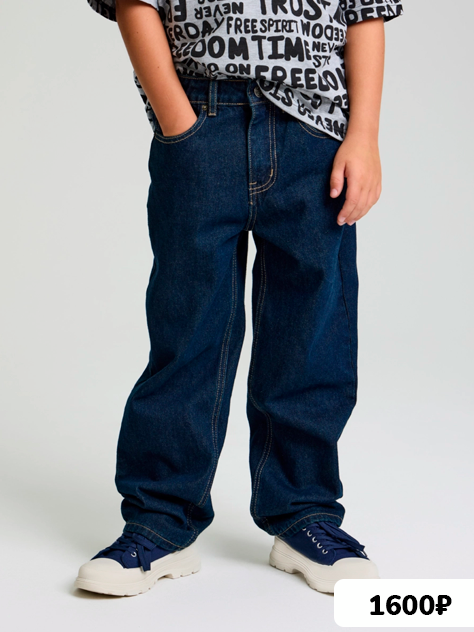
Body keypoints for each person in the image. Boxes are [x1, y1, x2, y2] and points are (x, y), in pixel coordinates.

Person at [75, 0, 404, 597]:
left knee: (311, 333)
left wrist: (364, 135)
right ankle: (160, 520)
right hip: (202, 115)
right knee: (188, 329)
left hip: (316, 131)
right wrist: (178, 122)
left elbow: (364, 11)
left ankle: (303, 513)